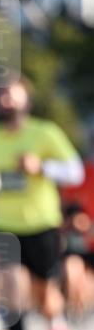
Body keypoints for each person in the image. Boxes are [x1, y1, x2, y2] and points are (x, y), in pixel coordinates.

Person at [0, 76, 84, 330]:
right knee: (11, 293)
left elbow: (75, 171)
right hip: (4, 225)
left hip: (42, 224)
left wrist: (42, 168)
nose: (6, 99)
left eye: (12, 93)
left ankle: (56, 322)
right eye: (2, 94)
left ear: (26, 99)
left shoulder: (45, 133)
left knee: (45, 296)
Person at [61, 134, 94, 318]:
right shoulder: (81, 174)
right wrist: (74, 221)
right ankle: (74, 311)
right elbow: (65, 208)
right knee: (71, 270)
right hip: (80, 243)